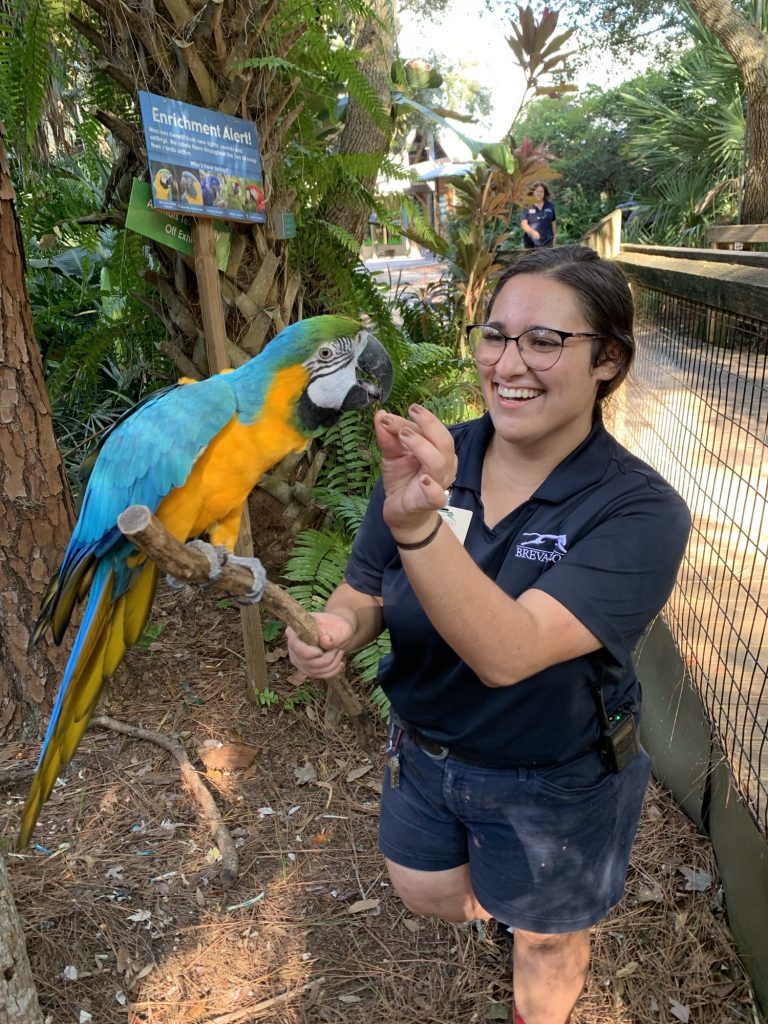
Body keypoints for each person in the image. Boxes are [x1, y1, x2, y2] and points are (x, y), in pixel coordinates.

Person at [286, 245, 691, 1024]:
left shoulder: (638, 512)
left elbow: (508, 650)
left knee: (544, 939)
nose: (510, 361)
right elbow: (365, 586)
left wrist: (418, 526)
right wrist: (336, 626)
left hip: (557, 777)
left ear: (608, 360)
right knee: (426, 888)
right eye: (495, 335)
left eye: (545, 340)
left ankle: (539, 946)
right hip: (427, 748)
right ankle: (511, 902)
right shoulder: (435, 459)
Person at [520, 182, 557, 248]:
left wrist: (554, 237)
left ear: (544, 194)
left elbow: (553, 222)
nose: (539, 194)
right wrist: (532, 232)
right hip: (531, 243)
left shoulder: (550, 206)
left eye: (542, 192)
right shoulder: (528, 206)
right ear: (533, 192)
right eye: (537, 191)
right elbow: (524, 224)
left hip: (548, 242)